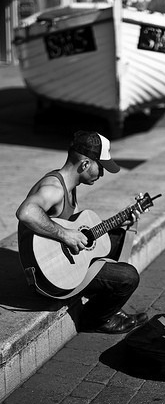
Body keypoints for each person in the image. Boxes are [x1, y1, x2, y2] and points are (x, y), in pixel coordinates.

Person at [16, 130, 148, 334]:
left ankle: (101, 302)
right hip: (48, 278)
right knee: (128, 277)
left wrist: (124, 220)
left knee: (118, 238)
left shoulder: (69, 184)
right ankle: (95, 320)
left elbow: (76, 228)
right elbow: (26, 212)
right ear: (85, 164)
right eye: (101, 168)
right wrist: (64, 235)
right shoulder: (54, 187)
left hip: (59, 264)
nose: (102, 174)